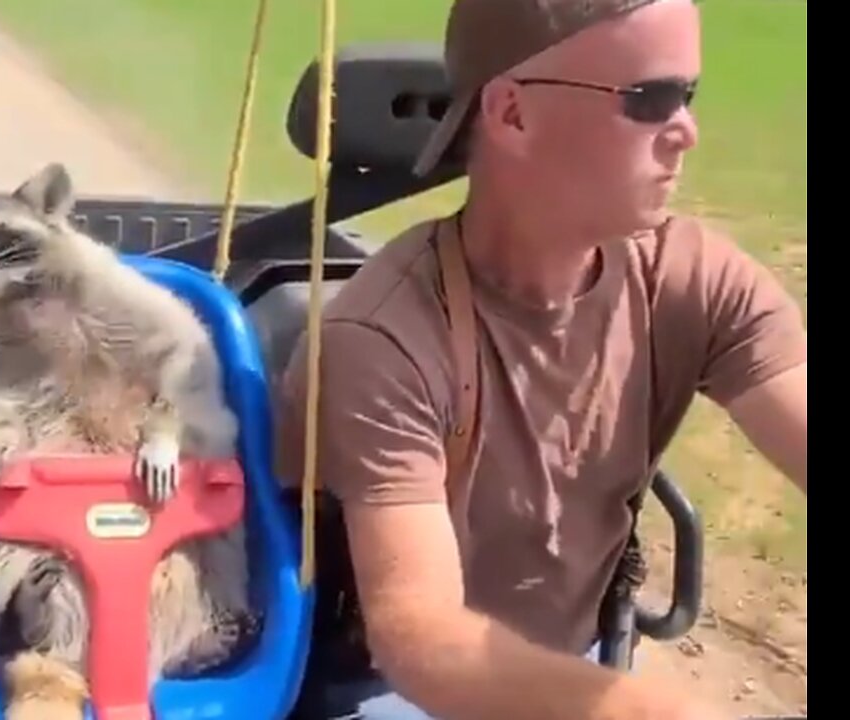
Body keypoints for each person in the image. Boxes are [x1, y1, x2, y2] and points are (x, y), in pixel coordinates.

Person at [273, 0, 807, 718]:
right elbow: (421, 642)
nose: (686, 130)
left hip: (574, 669)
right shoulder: (384, 335)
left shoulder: (689, 279)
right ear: (513, 114)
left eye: (689, 95)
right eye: (648, 100)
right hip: (392, 695)